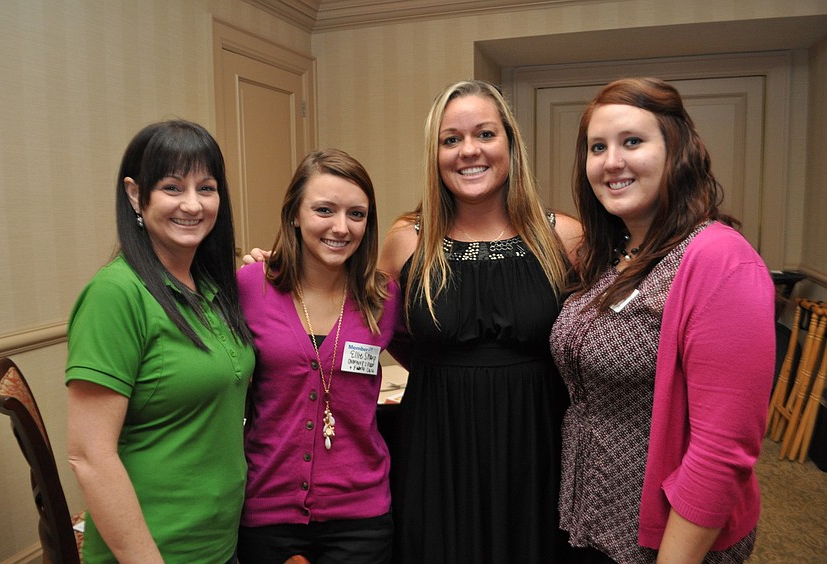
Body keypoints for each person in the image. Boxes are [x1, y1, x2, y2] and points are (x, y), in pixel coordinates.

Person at [549, 77, 775, 563]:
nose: (612, 161)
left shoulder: (720, 260)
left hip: (665, 540)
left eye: (632, 141)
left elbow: (722, 452)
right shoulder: (606, 255)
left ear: (677, 150)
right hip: (590, 521)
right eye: (597, 147)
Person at [378, 79, 582, 563]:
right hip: (437, 443)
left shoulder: (566, 238)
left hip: (536, 445)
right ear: (435, 154)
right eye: (451, 139)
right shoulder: (408, 240)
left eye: (485, 134)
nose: (468, 151)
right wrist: (276, 274)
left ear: (510, 143)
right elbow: (372, 323)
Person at [66, 120, 255, 562]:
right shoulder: (115, 294)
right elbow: (89, 456)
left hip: (218, 543)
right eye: (172, 187)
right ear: (136, 195)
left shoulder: (210, 286)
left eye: (206, 188)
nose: (192, 204)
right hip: (154, 549)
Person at [236, 149, 402, 564]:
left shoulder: (384, 298)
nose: (341, 228)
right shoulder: (251, 286)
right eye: (324, 210)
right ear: (294, 214)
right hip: (267, 510)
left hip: (361, 516)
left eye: (356, 214)